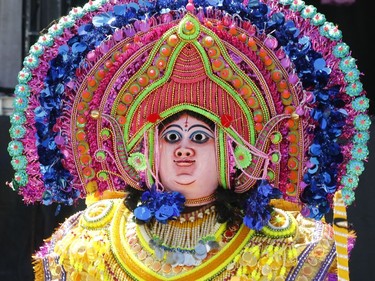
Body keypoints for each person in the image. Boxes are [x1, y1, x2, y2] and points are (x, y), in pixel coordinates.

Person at [7, 0, 370, 280]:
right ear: (143, 151)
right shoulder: (87, 242)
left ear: (234, 150)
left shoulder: (294, 246)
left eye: (200, 137)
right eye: (170, 136)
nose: (183, 149)